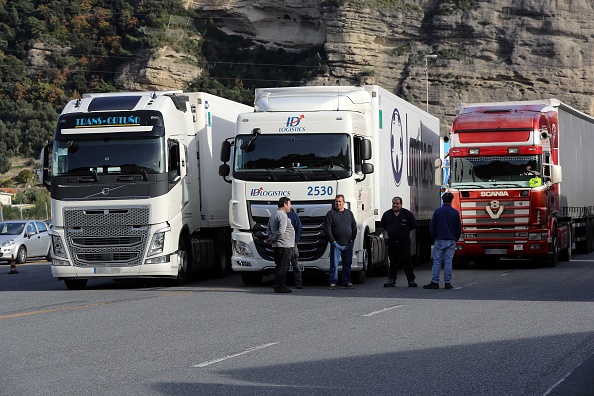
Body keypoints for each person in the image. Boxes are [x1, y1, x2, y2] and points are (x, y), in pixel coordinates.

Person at [424, 192, 462, 290]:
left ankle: (435, 282)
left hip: (439, 239)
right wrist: (455, 238)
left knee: (437, 261)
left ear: (442, 200)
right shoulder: (455, 212)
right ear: (451, 200)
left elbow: (432, 227)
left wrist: (434, 237)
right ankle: (447, 282)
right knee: (448, 262)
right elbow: (458, 228)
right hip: (451, 240)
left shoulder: (438, 211)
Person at [381, 196, 418, 288]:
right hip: (392, 242)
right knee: (393, 262)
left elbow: (413, 225)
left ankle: (411, 280)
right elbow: (384, 225)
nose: (395, 205)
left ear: (401, 204)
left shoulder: (407, 214)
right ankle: (392, 280)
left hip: (404, 242)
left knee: (407, 262)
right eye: (393, 203)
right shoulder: (387, 214)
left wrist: (404, 231)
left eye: (397, 203)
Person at [324, 194, 357, 289]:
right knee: (334, 264)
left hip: (348, 244)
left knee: (347, 264)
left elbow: (354, 226)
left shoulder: (349, 213)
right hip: (336, 244)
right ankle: (333, 282)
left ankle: (347, 282)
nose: (338, 203)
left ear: (344, 202)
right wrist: (332, 241)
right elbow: (327, 228)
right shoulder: (331, 213)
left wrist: (352, 238)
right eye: (336, 201)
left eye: (340, 201)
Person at [266, 197, 295, 293]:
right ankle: (280, 286)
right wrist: (273, 238)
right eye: (289, 204)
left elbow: (268, 230)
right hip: (284, 244)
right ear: (285, 204)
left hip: (277, 245)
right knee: (284, 266)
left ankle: (277, 284)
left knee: (278, 266)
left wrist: (271, 238)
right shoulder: (282, 215)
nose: (290, 206)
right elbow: (281, 231)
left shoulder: (273, 214)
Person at [287, 208, 303, 289]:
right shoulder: (278, 214)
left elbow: (299, 228)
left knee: (295, 264)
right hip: (282, 243)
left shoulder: (293, 215)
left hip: (292, 243)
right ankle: (280, 283)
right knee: (282, 265)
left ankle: (298, 282)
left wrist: (296, 240)